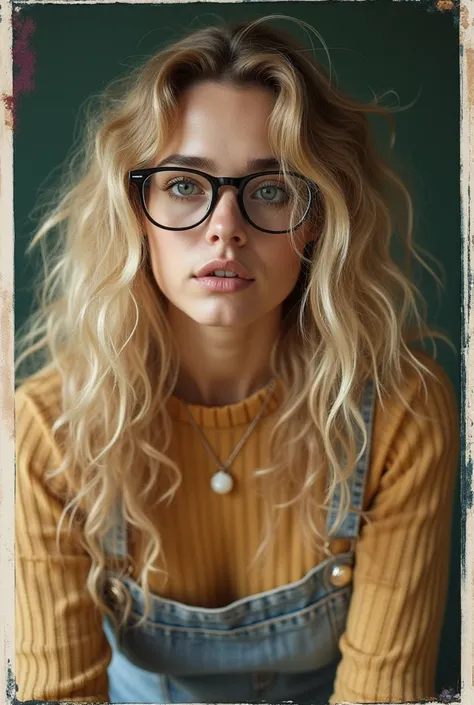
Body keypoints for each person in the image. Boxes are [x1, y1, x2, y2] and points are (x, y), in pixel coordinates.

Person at [14, 14, 459, 705]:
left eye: (272, 189)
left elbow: (382, 693)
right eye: (185, 185)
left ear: (319, 219)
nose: (226, 227)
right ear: (136, 211)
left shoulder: (401, 412)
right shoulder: (50, 426)